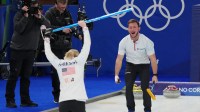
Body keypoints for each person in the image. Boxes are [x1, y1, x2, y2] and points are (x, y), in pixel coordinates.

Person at [5, 0, 49, 108]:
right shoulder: (19, 14)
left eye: (36, 5)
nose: (35, 7)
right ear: (27, 6)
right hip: (17, 50)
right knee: (13, 76)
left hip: (31, 51)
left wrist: (40, 17)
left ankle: (25, 100)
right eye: (33, 5)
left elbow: (48, 25)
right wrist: (25, 16)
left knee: (26, 77)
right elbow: (19, 29)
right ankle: (9, 100)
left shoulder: (38, 16)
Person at [44, 21, 90, 112]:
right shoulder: (79, 61)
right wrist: (85, 27)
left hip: (64, 101)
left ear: (66, 55)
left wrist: (46, 38)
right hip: (78, 100)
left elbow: (48, 54)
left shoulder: (60, 64)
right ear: (75, 56)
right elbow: (87, 45)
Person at [114, 19, 158, 112]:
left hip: (144, 66)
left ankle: (147, 109)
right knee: (128, 88)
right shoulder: (123, 41)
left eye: (134, 27)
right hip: (130, 66)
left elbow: (153, 59)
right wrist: (116, 75)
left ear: (139, 29)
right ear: (128, 29)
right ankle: (131, 109)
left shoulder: (147, 41)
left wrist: (155, 75)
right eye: (130, 27)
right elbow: (119, 59)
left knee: (145, 88)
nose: (132, 29)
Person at [45, 0, 83, 103]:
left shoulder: (67, 13)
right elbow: (47, 28)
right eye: (61, 4)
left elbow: (72, 26)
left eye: (65, 4)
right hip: (55, 47)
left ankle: (69, 94)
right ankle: (57, 96)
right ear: (56, 4)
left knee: (70, 72)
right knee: (56, 73)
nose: (63, 7)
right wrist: (62, 29)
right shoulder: (49, 13)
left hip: (67, 47)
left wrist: (78, 34)